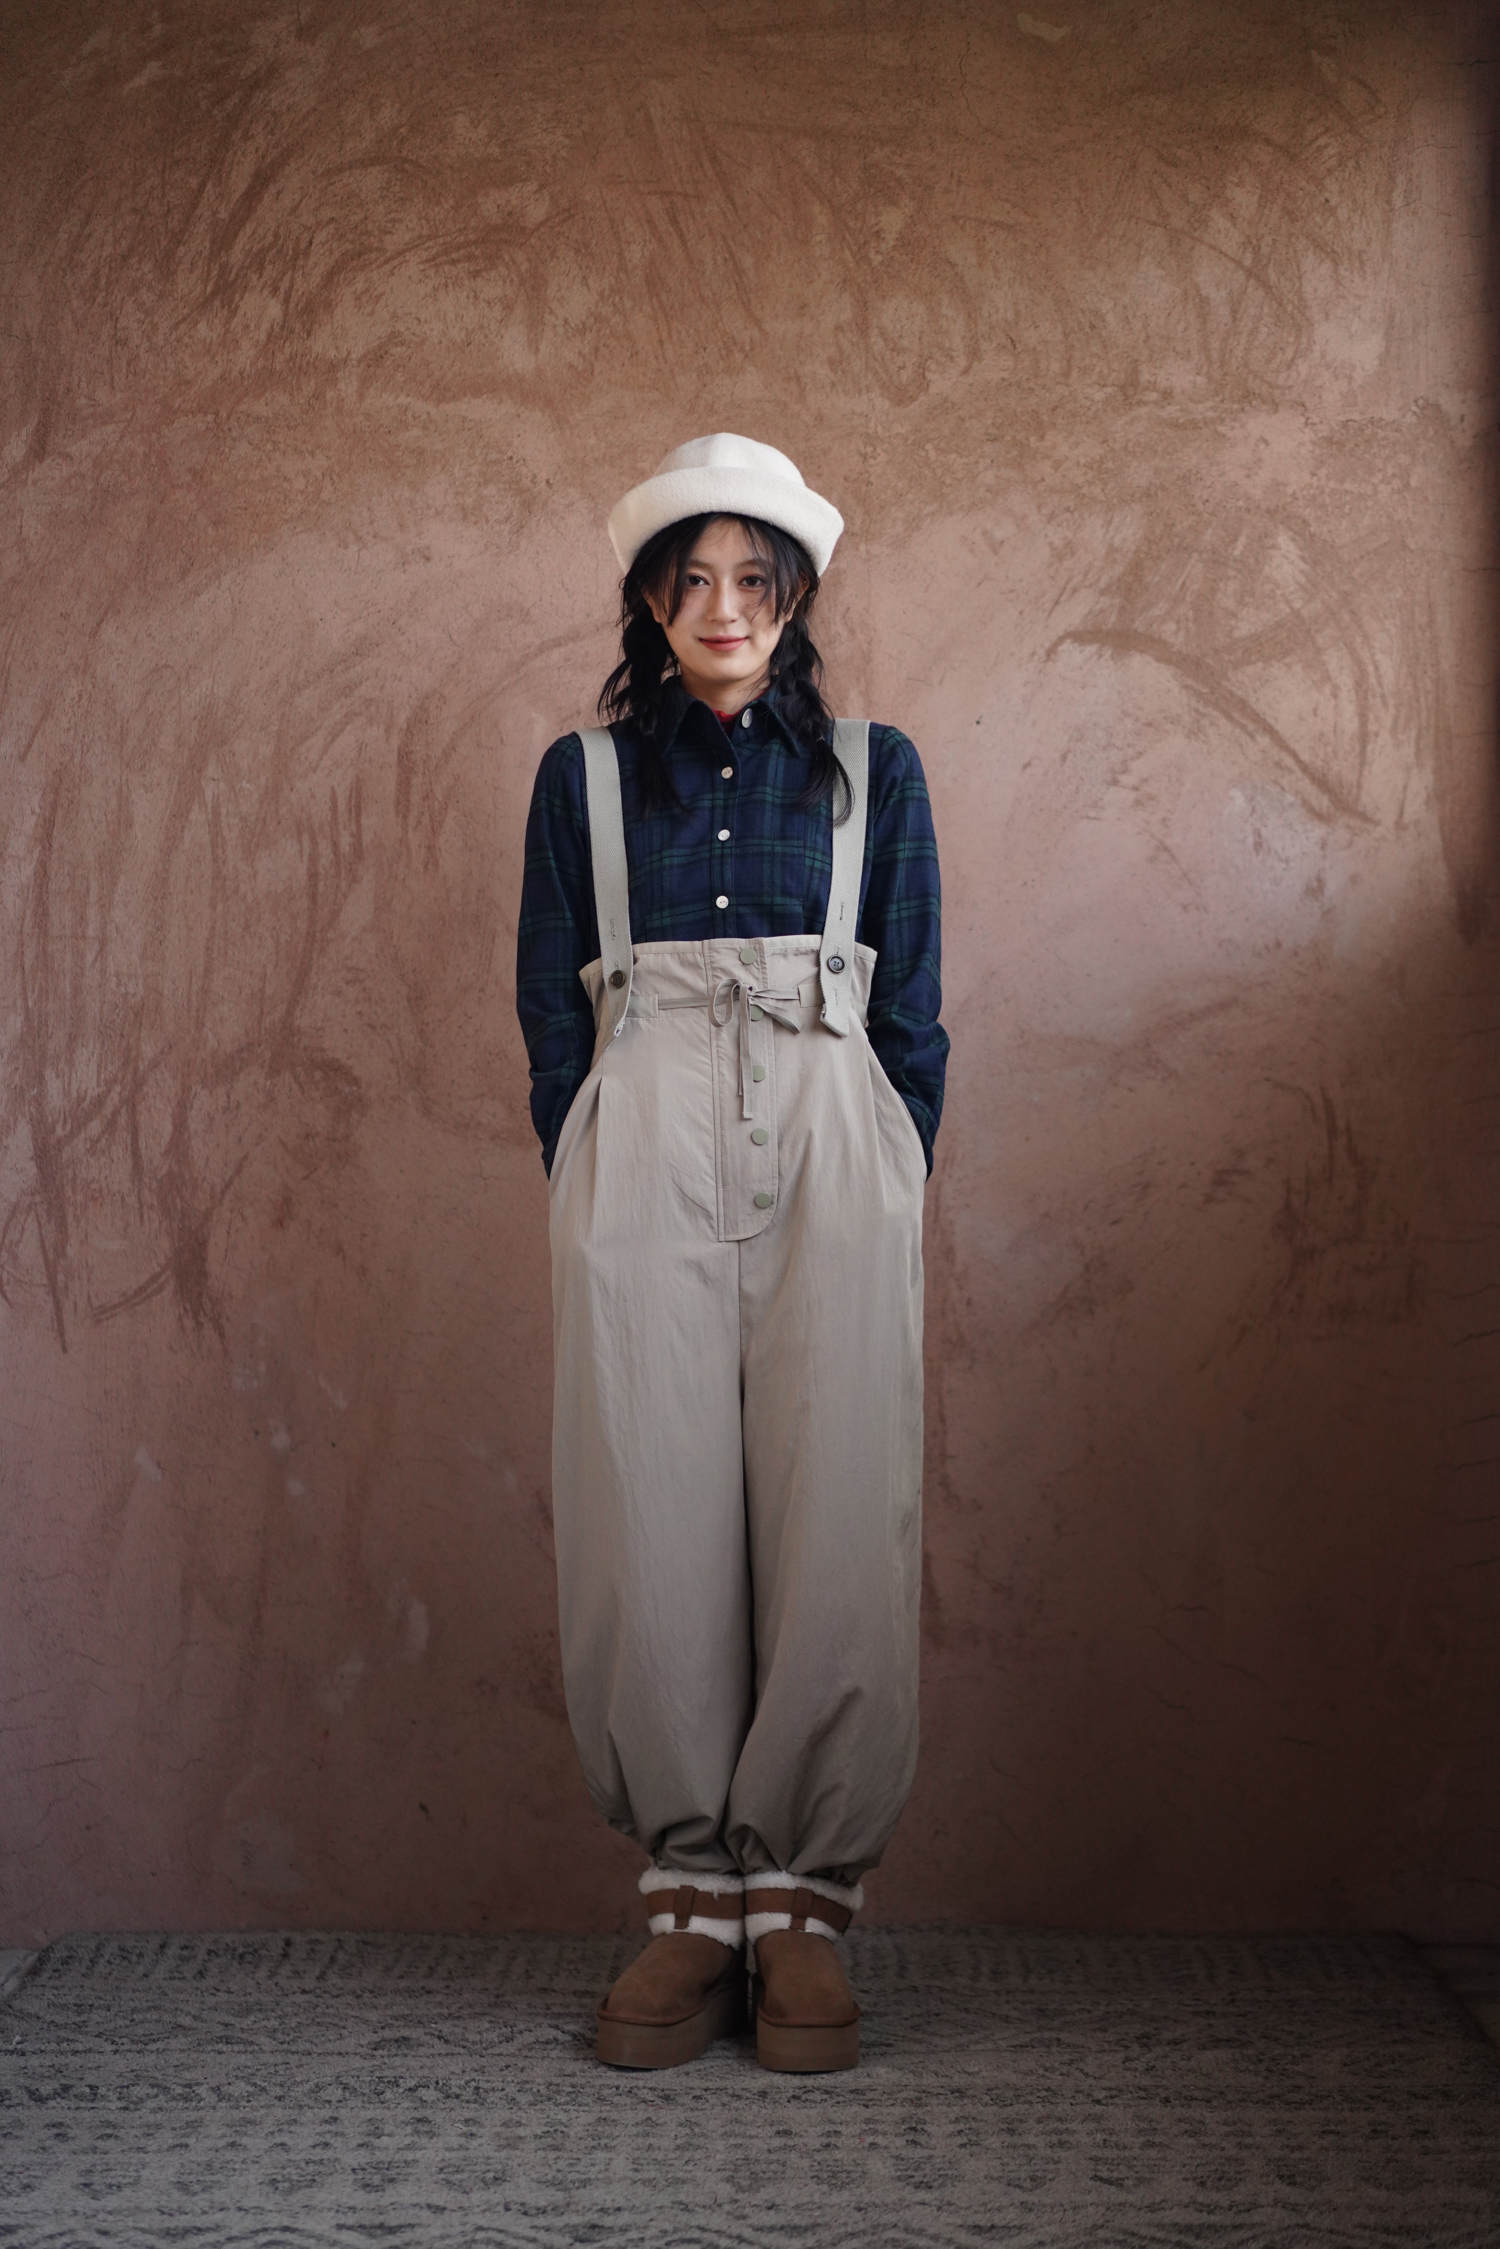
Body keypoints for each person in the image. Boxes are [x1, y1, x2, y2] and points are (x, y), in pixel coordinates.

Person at [515, 433, 948, 2072]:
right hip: (642, 1131)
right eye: (690, 579)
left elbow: (914, 1004)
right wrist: (587, 1153)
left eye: (754, 580)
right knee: (649, 1498)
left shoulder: (873, 771)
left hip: (834, 1134)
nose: (722, 607)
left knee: (841, 1490)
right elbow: (550, 998)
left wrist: (889, 1159)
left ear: (794, 597)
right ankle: (690, 1896)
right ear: (649, 598)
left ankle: (804, 1901)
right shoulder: (582, 779)